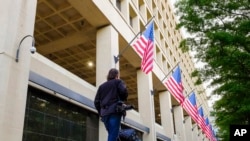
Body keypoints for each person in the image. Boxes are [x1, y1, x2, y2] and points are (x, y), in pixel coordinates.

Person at [94, 68, 128, 141]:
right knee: (113, 134)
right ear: (117, 75)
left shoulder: (101, 87)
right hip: (114, 111)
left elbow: (96, 102)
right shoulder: (118, 82)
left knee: (113, 134)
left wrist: (101, 112)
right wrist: (122, 100)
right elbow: (124, 91)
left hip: (104, 114)